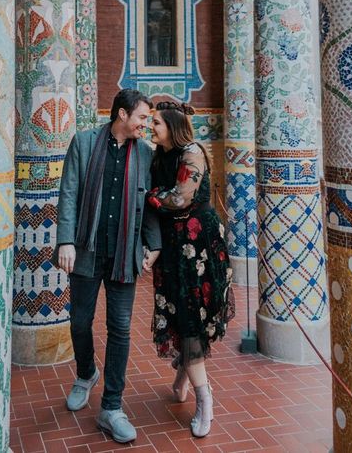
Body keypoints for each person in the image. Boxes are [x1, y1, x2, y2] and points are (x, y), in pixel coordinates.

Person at [56, 89, 161, 444]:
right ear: (122, 115)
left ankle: (112, 407)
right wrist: (65, 240)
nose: (144, 124)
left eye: (147, 120)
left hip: (123, 255)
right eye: (142, 118)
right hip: (86, 250)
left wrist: (154, 245)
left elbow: (149, 205)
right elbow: (69, 193)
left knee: (120, 328)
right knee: (80, 321)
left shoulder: (145, 155)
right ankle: (86, 372)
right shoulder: (84, 144)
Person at [147, 100, 234, 438]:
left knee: (190, 317)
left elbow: (181, 197)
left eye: (156, 123)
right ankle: (185, 371)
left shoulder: (192, 152)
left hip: (197, 245)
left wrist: (150, 196)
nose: (151, 128)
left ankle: (205, 400)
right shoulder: (159, 155)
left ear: (172, 125)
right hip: (173, 245)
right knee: (182, 314)